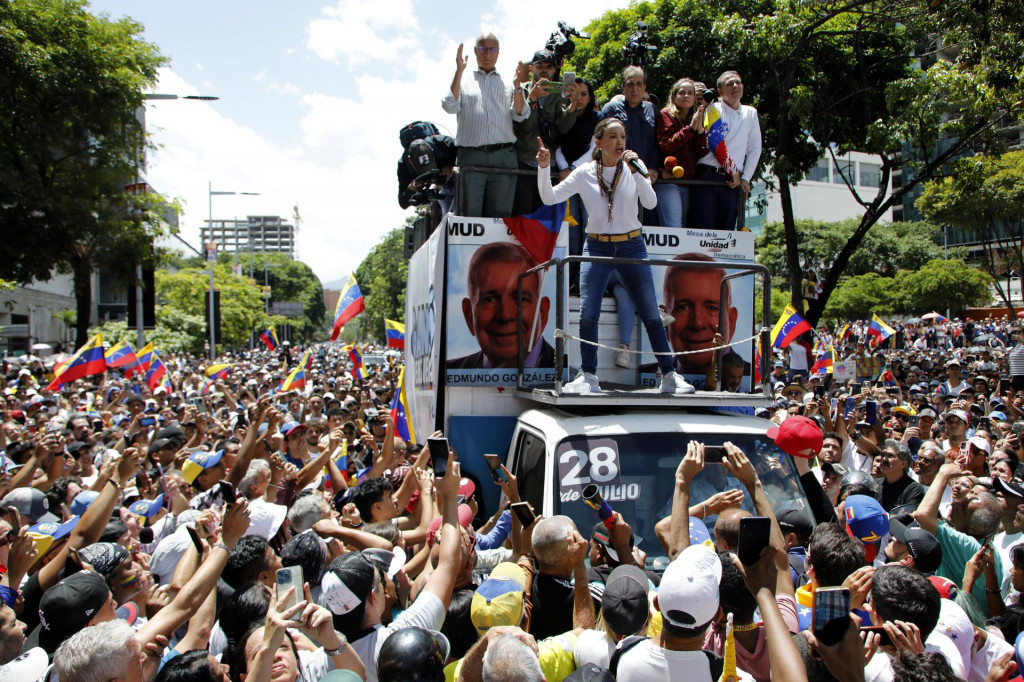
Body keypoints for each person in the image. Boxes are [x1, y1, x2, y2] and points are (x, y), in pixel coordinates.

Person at [536, 118, 694, 394]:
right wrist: (544, 166)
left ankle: (669, 375)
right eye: (612, 136)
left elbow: (651, 202)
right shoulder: (585, 172)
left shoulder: (632, 169)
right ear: (599, 143)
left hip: (632, 246)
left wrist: (638, 174)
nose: (620, 142)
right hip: (597, 247)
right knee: (588, 313)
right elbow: (549, 197)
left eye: (622, 136)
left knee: (650, 313)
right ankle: (588, 376)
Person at [441, 33, 529, 218]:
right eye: (482, 49)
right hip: (471, 157)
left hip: (503, 157)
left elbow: (521, 115)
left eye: (491, 49)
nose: (486, 54)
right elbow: (449, 106)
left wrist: (518, 86)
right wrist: (458, 71)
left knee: (500, 221)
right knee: (469, 219)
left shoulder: (508, 81)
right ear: (474, 51)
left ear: (498, 52)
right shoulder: (463, 79)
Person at [446, 242, 555, 370]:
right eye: (489, 299)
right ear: (469, 315)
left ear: (542, 312)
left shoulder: (567, 378)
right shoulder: (450, 371)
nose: (505, 315)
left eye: (521, 299)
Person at [652, 252, 748, 383]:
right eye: (683, 307)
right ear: (665, 321)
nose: (697, 323)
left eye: (711, 308)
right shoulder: (648, 373)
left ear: (731, 321)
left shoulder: (748, 374)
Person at [691, 71, 762, 230]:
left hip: (731, 183)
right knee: (703, 232)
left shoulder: (751, 113)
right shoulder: (712, 109)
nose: (735, 86)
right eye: (729, 84)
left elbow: (755, 147)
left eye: (737, 83)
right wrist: (734, 171)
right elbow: (715, 142)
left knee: (727, 232)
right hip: (707, 177)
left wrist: (745, 178)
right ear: (720, 91)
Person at [600, 66, 662, 226]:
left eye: (639, 84)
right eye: (630, 84)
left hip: (645, 176)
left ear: (644, 87)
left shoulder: (652, 110)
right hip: (617, 178)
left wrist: (654, 167)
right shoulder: (610, 109)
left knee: (649, 224)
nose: (634, 89)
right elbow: (601, 143)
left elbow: (657, 143)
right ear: (622, 87)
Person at [655, 78, 707, 228]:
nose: (686, 96)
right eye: (682, 93)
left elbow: (701, 152)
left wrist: (700, 132)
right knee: (673, 227)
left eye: (690, 93)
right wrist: (690, 129)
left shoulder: (696, 117)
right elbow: (667, 146)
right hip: (670, 182)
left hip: (689, 182)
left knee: (685, 227)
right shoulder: (666, 115)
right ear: (673, 96)